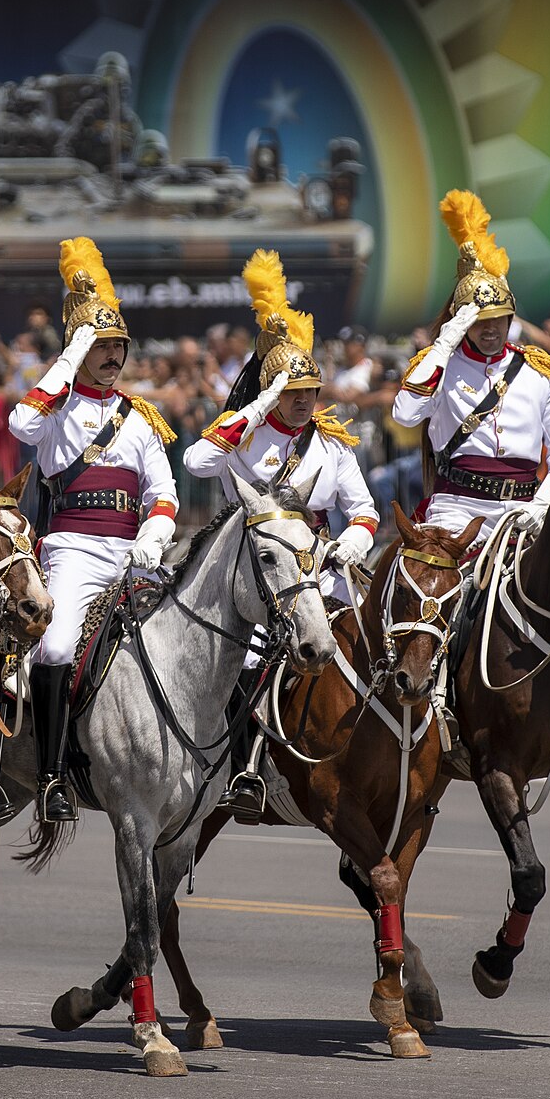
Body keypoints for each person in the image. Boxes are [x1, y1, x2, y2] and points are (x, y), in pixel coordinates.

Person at [183, 249, 379, 817]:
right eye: (293, 394)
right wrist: (259, 404)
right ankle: (240, 769)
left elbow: (363, 510)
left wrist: (355, 542)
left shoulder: (332, 443)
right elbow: (196, 461)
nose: (304, 403)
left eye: (310, 393)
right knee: (247, 658)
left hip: (319, 564)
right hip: (252, 566)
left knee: (374, 644)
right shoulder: (240, 438)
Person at [9, 239, 178, 824]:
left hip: (134, 551)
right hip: (74, 550)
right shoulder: (52, 411)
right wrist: (72, 349)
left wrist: (154, 536)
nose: (111, 356)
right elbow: (20, 421)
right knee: (55, 645)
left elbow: (164, 494)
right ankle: (53, 774)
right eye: (100, 346)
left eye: (117, 347)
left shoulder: (141, 420)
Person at [389, 190, 550, 538]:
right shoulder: (439, 368)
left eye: (498, 319)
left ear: (511, 320)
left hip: (525, 511)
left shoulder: (539, 374)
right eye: (479, 320)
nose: (490, 328)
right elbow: (405, 413)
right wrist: (443, 344)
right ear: (463, 322)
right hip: (456, 508)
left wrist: (543, 503)